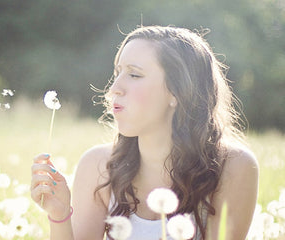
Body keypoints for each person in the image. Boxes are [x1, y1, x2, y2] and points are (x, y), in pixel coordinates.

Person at [30, 25, 259, 240]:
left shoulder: (232, 167)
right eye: (117, 72)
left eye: (134, 75)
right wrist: (59, 214)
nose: (113, 89)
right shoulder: (97, 166)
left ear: (177, 91)